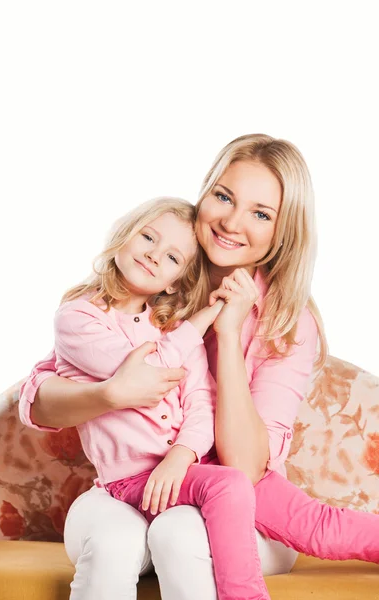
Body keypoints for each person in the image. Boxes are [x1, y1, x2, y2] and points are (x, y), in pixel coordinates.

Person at [19, 134, 379, 600]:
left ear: (282, 231)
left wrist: (227, 336)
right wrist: (109, 394)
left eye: (261, 213)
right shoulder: (152, 277)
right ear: (205, 192)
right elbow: (45, 390)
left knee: (196, 531)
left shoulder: (287, 320)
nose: (231, 221)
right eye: (224, 197)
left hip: (230, 489)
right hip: (140, 484)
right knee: (125, 537)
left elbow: (245, 468)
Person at [23, 195, 276, 600]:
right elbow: (139, 373)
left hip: (172, 477)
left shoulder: (169, 329)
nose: (155, 256)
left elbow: (201, 404)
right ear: (123, 237)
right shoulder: (77, 316)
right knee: (116, 540)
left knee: (240, 502)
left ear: (174, 282)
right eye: (147, 238)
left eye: (173, 258)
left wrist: (182, 453)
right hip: (121, 483)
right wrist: (205, 319)